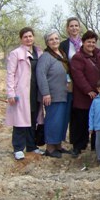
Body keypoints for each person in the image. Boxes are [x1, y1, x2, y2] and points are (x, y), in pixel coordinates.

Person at [6, 27, 44, 160]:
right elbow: (10, 73)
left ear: (34, 37)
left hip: (35, 90)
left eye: (30, 36)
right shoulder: (15, 53)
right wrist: (11, 92)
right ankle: (18, 148)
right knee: (20, 120)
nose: (28, 39)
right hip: (21, 91)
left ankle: (31, 145)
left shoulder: (38, 52)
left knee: (32, 118)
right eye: (25, 37)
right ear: (21, 39)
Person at [70, 30, 100, 158]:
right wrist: (88, 90)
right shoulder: (78, 57)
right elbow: (78, 76)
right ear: (83, 42)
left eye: (93, 42)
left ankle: (95, 147)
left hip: (99, 94)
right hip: (83, 96)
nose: (91, 44)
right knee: (81, 121)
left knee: (97, 121)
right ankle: (78, 146)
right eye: (88, 42)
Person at [36, 30, 72, 158]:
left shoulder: (61, 54)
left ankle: (58, 145)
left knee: (62, 121)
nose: (54, 41)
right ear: (47, 42)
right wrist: (45, 93)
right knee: (53, 120)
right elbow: (41, 75)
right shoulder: (46, 57)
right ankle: (50, 148)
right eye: (51, 39)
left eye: (56, 38)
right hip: (53, 94)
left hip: (65, 92)